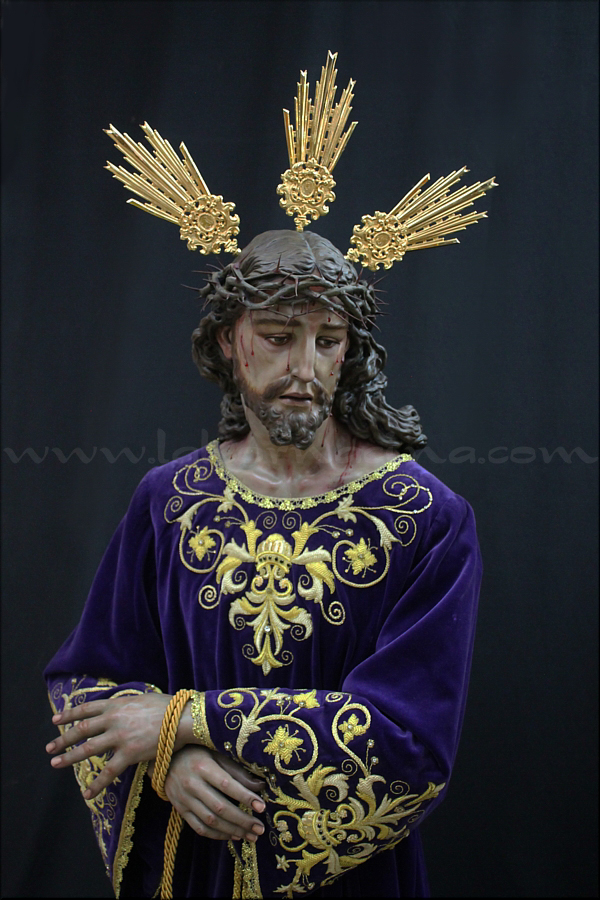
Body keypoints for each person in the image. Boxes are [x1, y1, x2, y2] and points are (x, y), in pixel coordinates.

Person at [44, 228, 482, 898]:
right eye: (278, 337)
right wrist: (169, 763)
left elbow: (409, 741)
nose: (305, 368)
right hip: (195, 860)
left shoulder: (423, 516)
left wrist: (183, 721)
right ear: (229, 339)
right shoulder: (170, 501)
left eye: (327, 341)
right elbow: (87, 679)